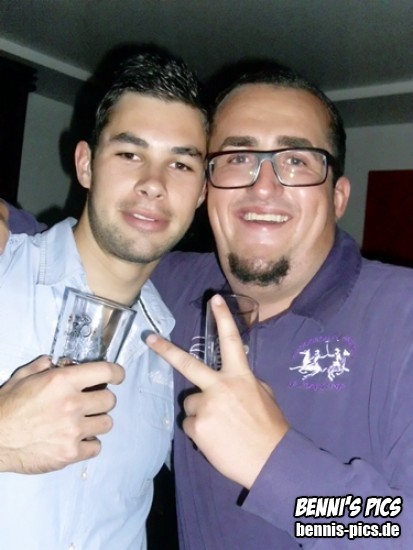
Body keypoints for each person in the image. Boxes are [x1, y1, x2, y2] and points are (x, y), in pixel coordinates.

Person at [5, 64, 413, 548]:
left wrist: (275, 466)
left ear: (338, 196)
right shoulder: (175, 292)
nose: (263, 186)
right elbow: (103, 247)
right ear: (208, 190)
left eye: (296, 160)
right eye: (238, 158)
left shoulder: (402, 316)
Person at [0, 51, 206, 549]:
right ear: (86, 164)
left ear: (201, 193)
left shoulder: (176, 356)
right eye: (130, 154)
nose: (153, 184)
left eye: (181, 164)